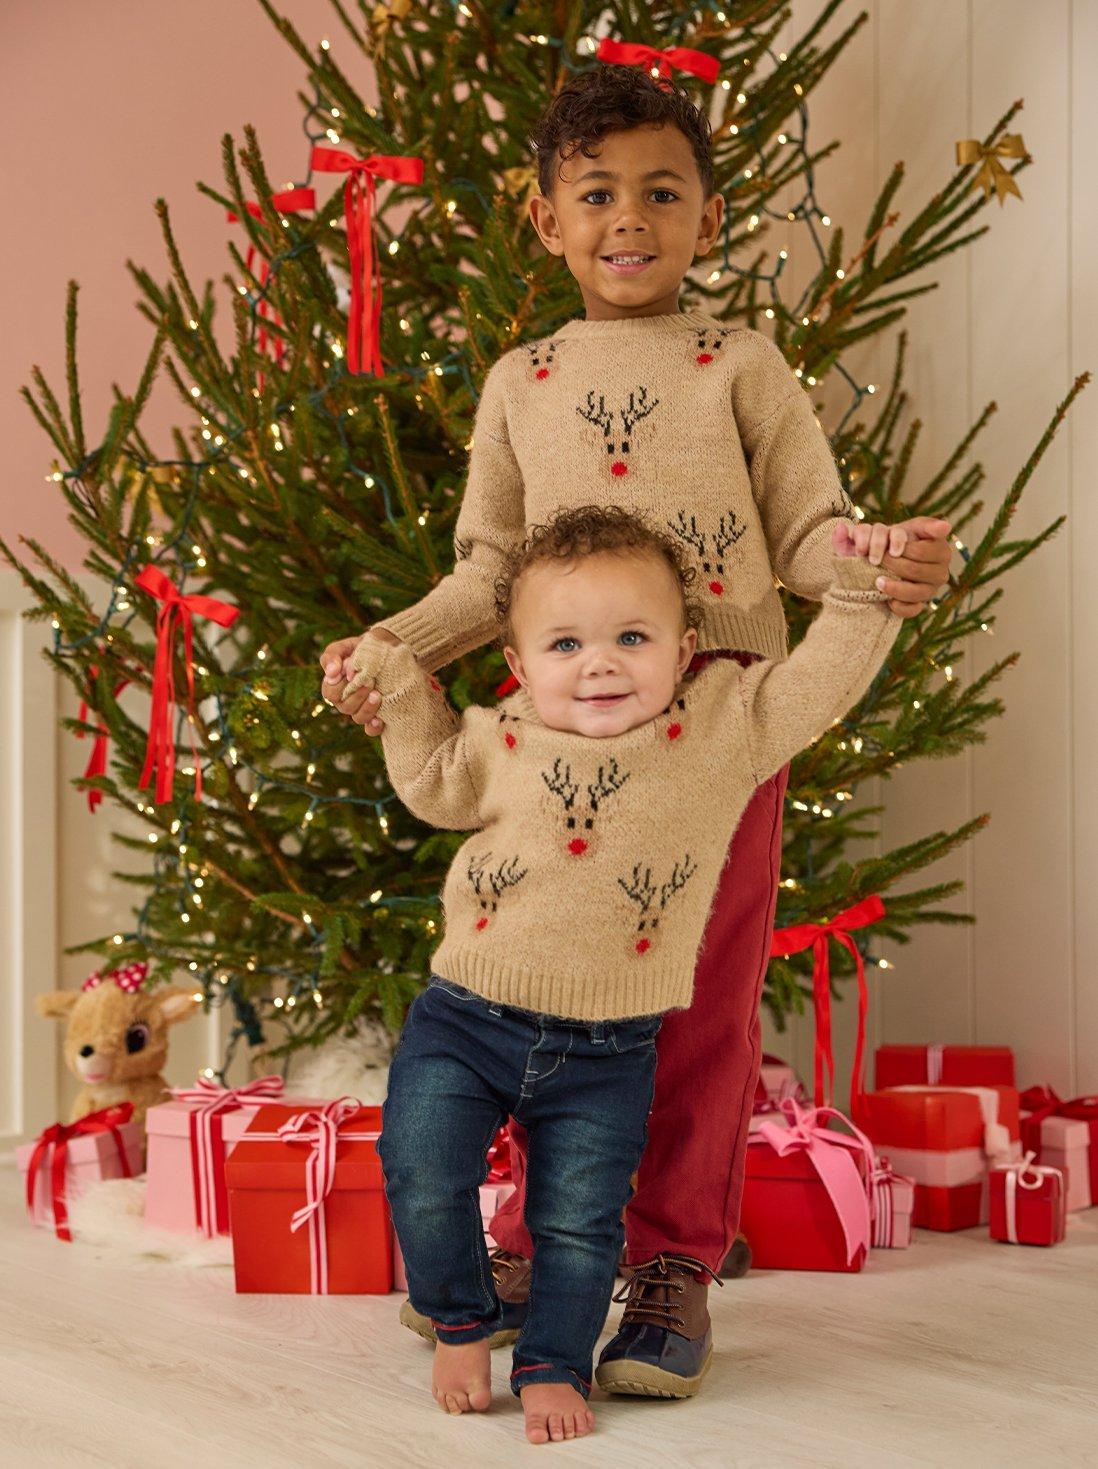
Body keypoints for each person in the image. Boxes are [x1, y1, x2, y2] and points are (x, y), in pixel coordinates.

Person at [320, 62, 952, 1402]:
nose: (628, 219)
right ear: (545, 219)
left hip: (713, 711)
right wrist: (391, 654)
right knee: (536, 977)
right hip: (557, 727)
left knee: (699, 996)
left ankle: (669, 1260)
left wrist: (872, 559)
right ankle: (532, 1245)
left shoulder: (741, 366)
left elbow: (804, 535)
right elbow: (487, 573)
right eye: (595, 193)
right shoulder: (521, 383)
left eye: (661, 193)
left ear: (706, 217)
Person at [354, 505, 902, 1443]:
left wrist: (862, 589)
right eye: (566, 642)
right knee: (419, 1165)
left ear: (686, 648)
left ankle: (553, 1364)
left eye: (632, 637)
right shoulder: (507, 731)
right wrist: (398, 686)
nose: (600, 662)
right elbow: (435, 780)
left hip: (607, 1045)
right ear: (521, 666)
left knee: (578, 1223)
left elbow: (819, 684)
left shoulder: (722, 729)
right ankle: (459, 1318)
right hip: (466, 1016)